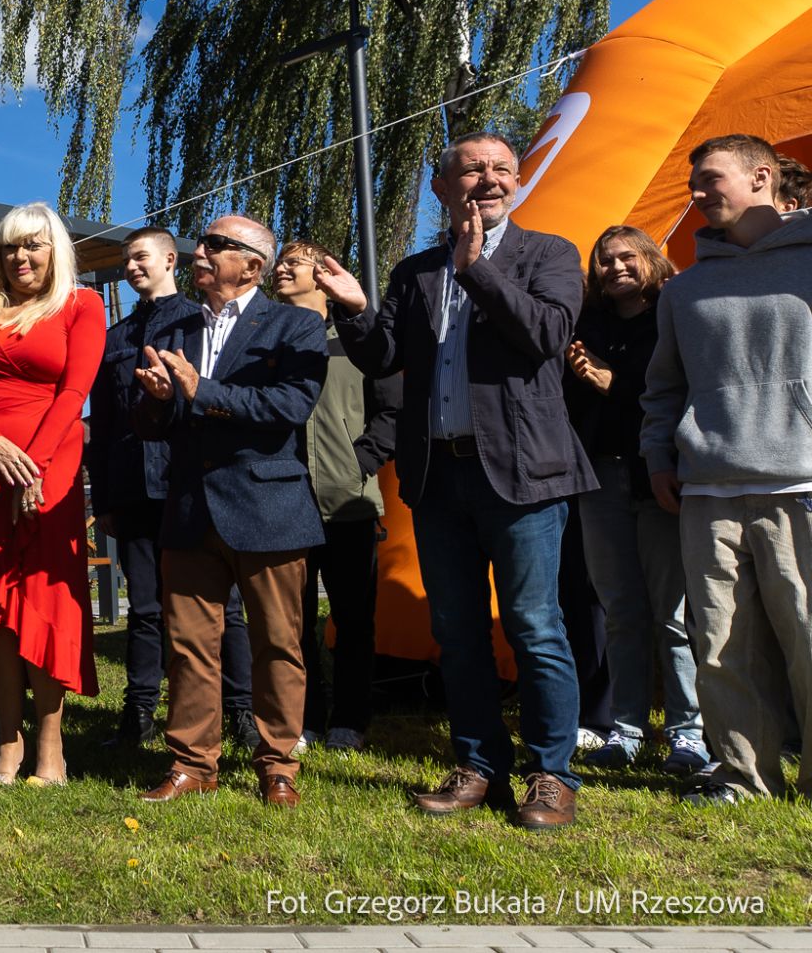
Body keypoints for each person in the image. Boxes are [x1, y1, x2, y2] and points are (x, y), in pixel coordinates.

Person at [318, 130, 597, 829]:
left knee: (535, 625)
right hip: (439, 476)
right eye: (472, 170)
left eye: (503, 168)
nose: (491, 179)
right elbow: (385, 356)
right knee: (459, 632)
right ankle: (479, 764)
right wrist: (355, 308)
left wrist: (478, 269)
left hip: (525, 476)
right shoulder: (415, 271)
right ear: (442, 189)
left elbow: (545, 335)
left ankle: (551, 773)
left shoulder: (549, 254)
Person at [640, 134, 812, 804]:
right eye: (695, 183)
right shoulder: (686, 288)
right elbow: (663, 389)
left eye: (712, 180)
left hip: (800, 481)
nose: (699, 194)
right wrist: (659, 453)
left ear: (763, 176)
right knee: (719, 645)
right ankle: (744, 776)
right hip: (708, 487)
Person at [133, 215, 327, 808]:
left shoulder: (296, 324)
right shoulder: (176, 326)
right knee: (189, 642)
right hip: (190, 506)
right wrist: (161, 401)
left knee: (277, 641)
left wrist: (201, 391)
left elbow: (289, 406)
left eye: (218, 245)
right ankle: (192, 763)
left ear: (254, 265)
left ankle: (277, 763)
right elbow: (154, 426)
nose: (202, 251)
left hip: (268, 503)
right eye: (202, 241)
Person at [0, 202, 105, 785]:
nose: (21, 256)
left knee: (41, 600)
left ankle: (51, 747)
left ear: (55, 250)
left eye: (34, 245)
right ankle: (6, 744)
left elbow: (74, 391)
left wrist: (32, 468)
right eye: (10, 246)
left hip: (48, 463)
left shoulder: (81, 305)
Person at [565, 225, 707, 774]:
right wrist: (587, 379)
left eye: (627, 257)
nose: (616, 267)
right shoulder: (587, 325)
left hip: (660, 477)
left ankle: (687, 732)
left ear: (651, 259)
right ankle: (625, 730)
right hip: (600, 476)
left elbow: (676, 392)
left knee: (674, 615)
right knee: (621, 610)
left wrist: (611, 383)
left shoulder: (673, 315)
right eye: (604, 260)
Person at [272, 240, 398, 752]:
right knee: (292, 620)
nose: (280, 269)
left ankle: (350, 720)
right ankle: (303, 719)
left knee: (352, 617)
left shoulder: (359, 339)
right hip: (281, 500)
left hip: (349, 502)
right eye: (279, 262)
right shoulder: (267, 338)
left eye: (292, 263)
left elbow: (392, 413)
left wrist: (359, 463)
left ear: (323, 274)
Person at [89, 227, 193, 749]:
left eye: (141, 257)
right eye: (126, 260)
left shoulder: (198, 323)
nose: (131, 267)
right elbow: (102, 425)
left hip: (188, 485)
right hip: (132, 488)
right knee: (145, 608)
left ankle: (232, 710)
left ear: (170, 259)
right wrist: (104, 499)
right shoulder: (116, 337)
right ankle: (139, 713)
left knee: (219, 609)